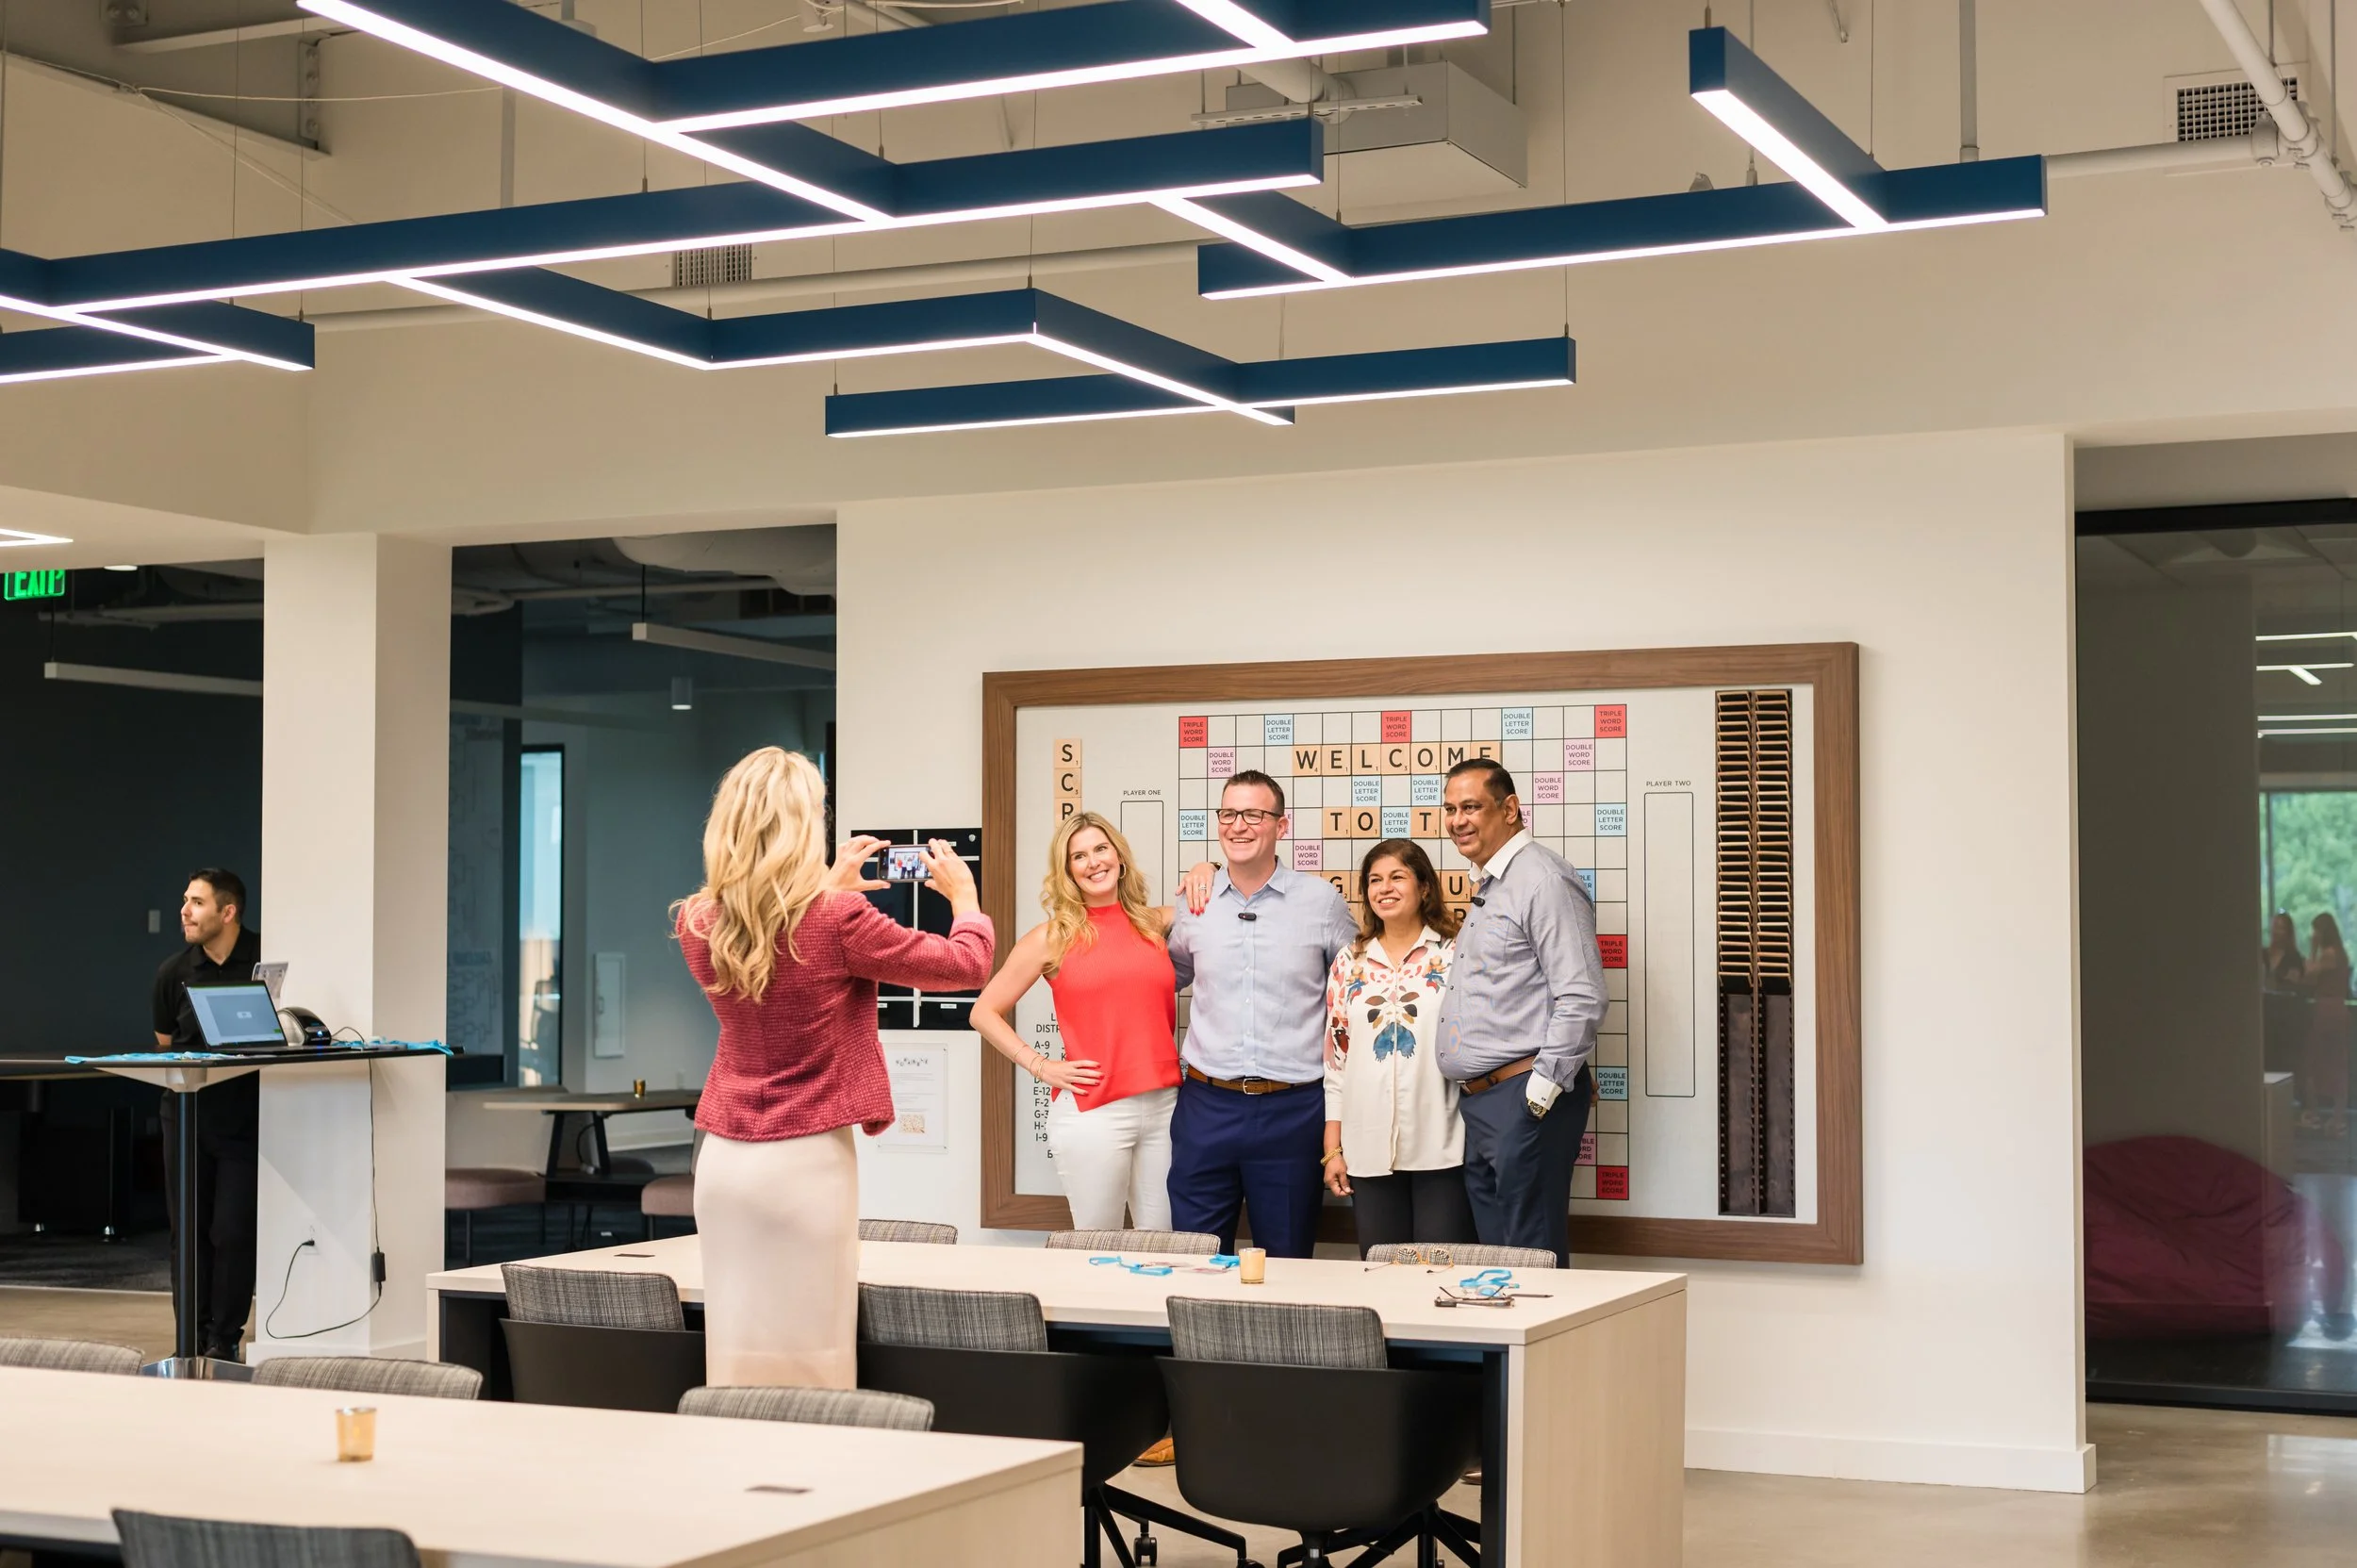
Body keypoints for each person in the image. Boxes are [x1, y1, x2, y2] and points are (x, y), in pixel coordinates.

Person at [677, 749, 991, 1387]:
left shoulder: (698, 920)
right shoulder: (837, 918)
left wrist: (824, 889)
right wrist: (965, 898)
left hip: (723, 1160)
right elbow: (966, 965)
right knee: (812, 1350)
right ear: (801, 827)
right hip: (805, 1160)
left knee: (736, 1347)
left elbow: (778, 943)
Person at [1165, 770, 1357, 1257]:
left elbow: (1358, 991)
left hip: (1293, 1111)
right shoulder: (1192, 904)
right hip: (1207, 1106)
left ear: (1282, 825)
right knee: (1195, 1258)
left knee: (1288, 1259)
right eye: (1229, 814)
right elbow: (1164, 980)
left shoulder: (1321, 902)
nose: (1239, 825)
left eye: (1255, 814)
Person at [1435, 758, 1607, 1267]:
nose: (1457, 820)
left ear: (1510, 809)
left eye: (1471, 807)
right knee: (1500, 1263)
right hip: (1483, 1104)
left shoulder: (1542, 879)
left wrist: (1540, 1092)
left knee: (1533, 1259)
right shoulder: (1491, 884)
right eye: (1449, 809)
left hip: (1523, 1100)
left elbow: (1583, 994)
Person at [975, 812, 1181, 1230]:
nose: (1094, 862)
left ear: (1120, 857)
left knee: (1165, 1249)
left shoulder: (1157, 922)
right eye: (1079, 856)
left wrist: (1206, 869)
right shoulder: (1052, 937)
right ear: (1068, 871)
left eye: (1101, 849)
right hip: (1094, 1112)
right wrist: (1041, 1067)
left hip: (1166, 1107)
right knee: (1096, 1246)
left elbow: (1222, 899)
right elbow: (983, 1012)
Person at [1322, 839, 1474, 1254]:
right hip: (1366, 1148)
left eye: (1397, 877)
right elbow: (1337, 1061)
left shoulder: (1456, 953)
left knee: (1441, 1277)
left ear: (1424, 887)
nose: (1384, 888)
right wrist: (1332, 1148)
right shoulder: (1348, 961)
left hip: (1443, 1143)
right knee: (1382, 1276)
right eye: (1374, 880)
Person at [150, 867, 263, 1362]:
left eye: (196, 902)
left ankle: (224, 1336)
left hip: (246, 1116)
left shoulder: (264, 961)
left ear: (228, 911)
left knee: (234, 1232)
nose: (184, 910)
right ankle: (191, 1340)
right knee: (188, 1231)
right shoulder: (173, 972)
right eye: (184, 900)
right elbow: (165, 1045)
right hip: (186, 1114)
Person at [2305, 913, 2350, 1137]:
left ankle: (2314, 1113)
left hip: (2325, 1009)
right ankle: (2338, 1117)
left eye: (2316, 931)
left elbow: (2309, 975)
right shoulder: (2341, 953)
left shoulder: (2328, 954)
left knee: (2316, 1061)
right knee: (2338, 1062)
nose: (2313, 935)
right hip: (2339, 1009)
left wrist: (2312, 950)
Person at [2266, 912, 2307, 987]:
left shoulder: (2294, 958)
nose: (2276, 931)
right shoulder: (2262, 954)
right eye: (2274, 927)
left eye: (2280, 928)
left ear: (2288, 933)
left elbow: (2292, 985)